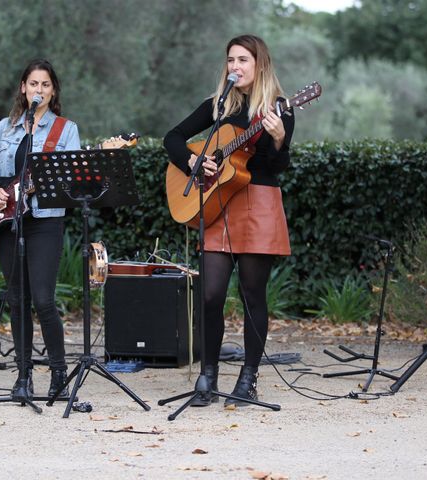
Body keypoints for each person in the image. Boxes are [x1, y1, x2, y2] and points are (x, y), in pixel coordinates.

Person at [163, 35, 294, 407]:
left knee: (253, 295)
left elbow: (274, 167)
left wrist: (279, 139)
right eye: (230, 60)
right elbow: (171, 138)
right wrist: (191, 161)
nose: (235, 66)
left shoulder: (279, 108)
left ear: (260, 65)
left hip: (258, 203)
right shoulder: (218, 106)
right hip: (218, 206)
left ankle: (248, 377)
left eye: (243, 60)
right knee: (209, 294)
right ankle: (207, 376)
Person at [0, 59, 80, 400]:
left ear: (53, 91)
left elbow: (70, 176)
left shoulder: (65, 130)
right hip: (8, 224)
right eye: (33, 84)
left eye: (45, 85)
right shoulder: (6, 127)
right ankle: (23, 376)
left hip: (45, 222)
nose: (38, 90)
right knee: (17, 300)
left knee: (43, 300)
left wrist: (43, 184)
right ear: (23, 88)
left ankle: (59, 374)